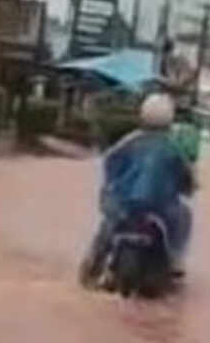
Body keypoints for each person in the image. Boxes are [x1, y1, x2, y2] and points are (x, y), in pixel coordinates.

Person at [80, 90, 195, 287]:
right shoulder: (173, 148)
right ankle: (176, 259)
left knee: (106, 229)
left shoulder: (129, 142)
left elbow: (109, 163)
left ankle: (93, 265)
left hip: (125, 204)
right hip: (161, 207)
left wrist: (111, 187)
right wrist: (190, 186)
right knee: (185, 214)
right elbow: (187, 176)